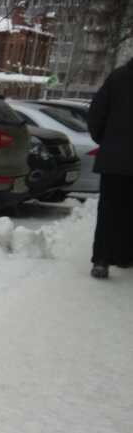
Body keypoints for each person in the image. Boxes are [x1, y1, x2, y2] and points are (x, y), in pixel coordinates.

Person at [86, 57, 133, 278]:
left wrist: (106, 141)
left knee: (109, 211)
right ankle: (125, 256)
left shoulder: (118, 78)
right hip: (117, 156)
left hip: (115, 160)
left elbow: (96, 114)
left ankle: (102, 260)